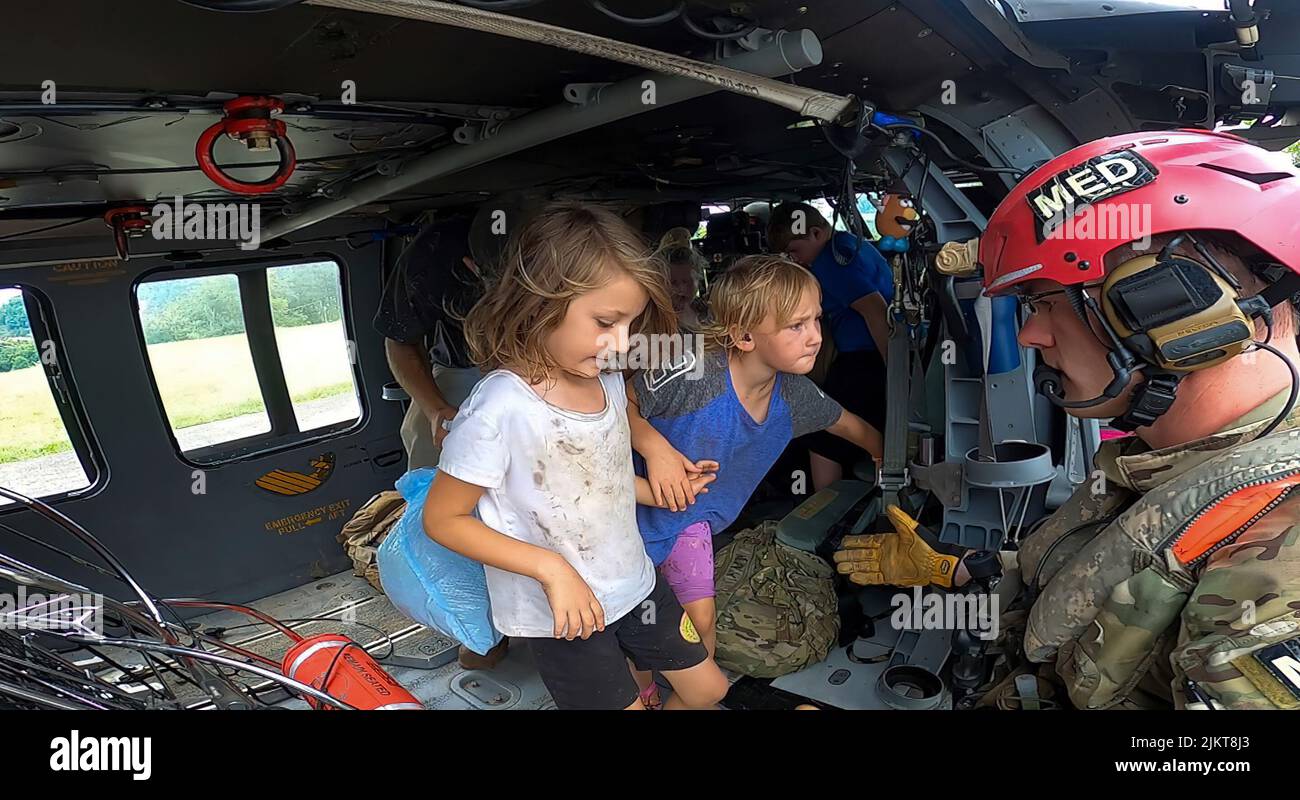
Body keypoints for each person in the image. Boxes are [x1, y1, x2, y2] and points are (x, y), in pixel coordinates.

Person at [833, 129, 1300, 710]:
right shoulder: (1170, 469)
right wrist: (955, 572)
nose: (1030, 334)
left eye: (1047, 303)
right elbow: (1096, 588)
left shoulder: (1277, 562)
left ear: (1172, 310)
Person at [421, 202, 729, 710]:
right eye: (606, 321)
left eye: (630, 324)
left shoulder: (607, 383)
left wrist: (660, 491)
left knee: (709, 689)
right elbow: (443, 519)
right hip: (560, 613)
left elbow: (593, 478)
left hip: (634, 582)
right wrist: (552, 569)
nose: (622, 343)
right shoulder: (499, 407)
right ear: (539, 303)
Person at [629, 254, 883, 706]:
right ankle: (643, 692)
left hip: (690, 526)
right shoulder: (694, 372)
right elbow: (616, 402)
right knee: (634, 629)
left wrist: (884, 454)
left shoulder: (795, 395)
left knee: (701, 626)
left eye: (816, 319)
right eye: (796, 326)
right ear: (744, 336)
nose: (815, 336)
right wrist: (656, 449)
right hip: (624, 516)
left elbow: (849, 426)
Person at [374, 197, 535, 670]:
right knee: (438, 494)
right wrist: (436, 409)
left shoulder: (563, 253)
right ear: (472, 266)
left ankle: (543, 615)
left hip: (544, 369)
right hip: (461, 373)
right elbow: (400, 341)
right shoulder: (431, 257)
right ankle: (481, 629)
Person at [767, 203, 892, 490]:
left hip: (863, 359)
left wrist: (895, 371)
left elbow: (874, 309)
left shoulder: (831, 261)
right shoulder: (848, 244)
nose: (795, 260)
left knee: (821, 434)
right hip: (868, 356)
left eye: (795, 251)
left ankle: (824, 507)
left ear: (816, 233)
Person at [656, 227, 710, 331]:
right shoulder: (656, 319)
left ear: (697, 280)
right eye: (673, 282)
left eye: (686, 281)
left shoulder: (706, 313)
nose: (681, 288)